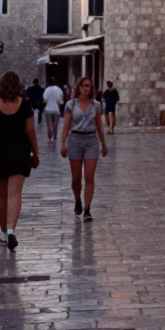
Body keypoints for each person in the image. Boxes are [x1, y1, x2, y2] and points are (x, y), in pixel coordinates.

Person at [0, 70, 38, 251]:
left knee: (1, 195)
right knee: (15, 194)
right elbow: (30, 131)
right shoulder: (25, 105)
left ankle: (4, 233)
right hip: (20, 151)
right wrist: (36, 153)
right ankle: (12, 229)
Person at [61, 76, 107, 221]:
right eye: (84, 86)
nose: (87, 88)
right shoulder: (71, 105)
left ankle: (87, 209)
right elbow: (66, 126)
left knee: (89, 177)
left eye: (89, 86)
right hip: (75, 140)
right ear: (79, 87)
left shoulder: (96, 105)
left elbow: (99, 125)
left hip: (91, 141)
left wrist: (103, 144)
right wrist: (63, 143)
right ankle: (77, 199)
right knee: (76, 178)